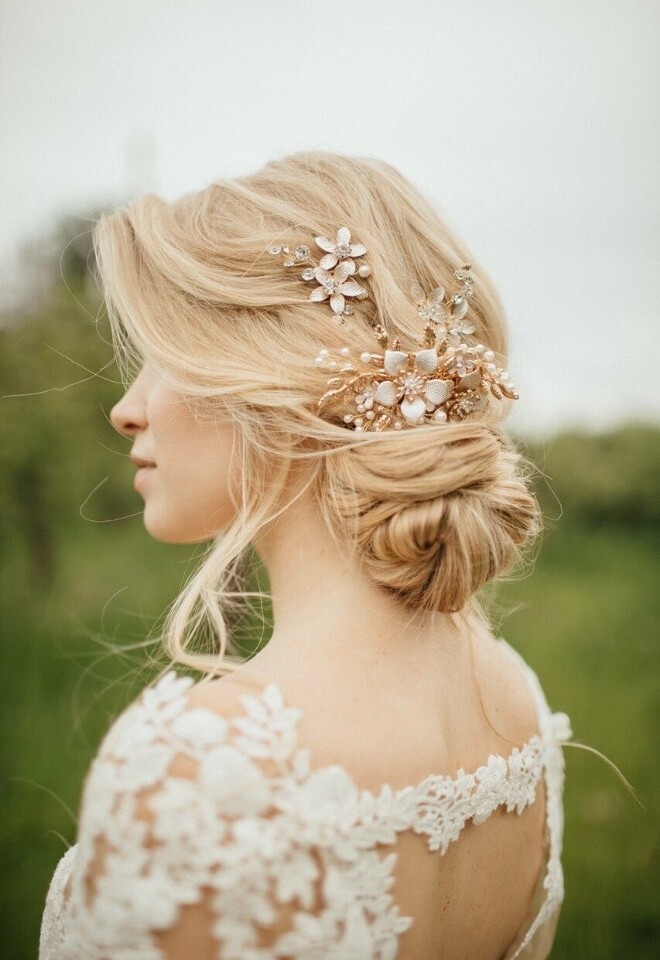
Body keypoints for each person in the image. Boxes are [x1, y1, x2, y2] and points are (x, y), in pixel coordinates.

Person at [39, 151, 577, 960]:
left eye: (168, 352)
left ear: (280, 379)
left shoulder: (203, 769)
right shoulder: (512, 698)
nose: (127, 408)